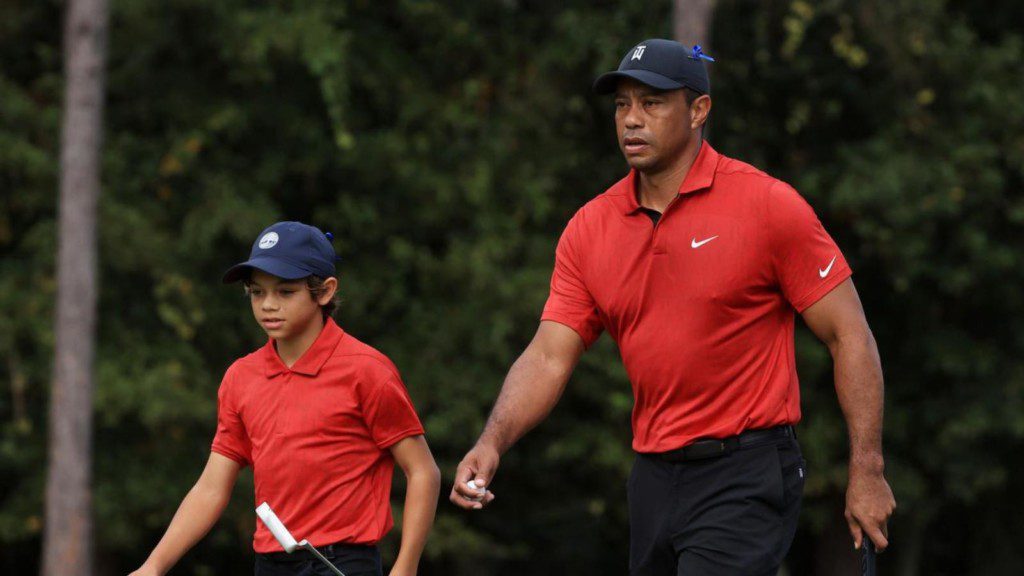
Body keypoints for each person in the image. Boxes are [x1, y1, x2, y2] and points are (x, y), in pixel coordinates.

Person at [450, 39, 895, 575]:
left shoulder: (767, 206)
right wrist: (491, 441)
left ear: (699, 110)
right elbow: (548, 355)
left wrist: (866, 469)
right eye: (622, 105)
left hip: (747, 468)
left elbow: (850, 335)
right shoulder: (589, 230)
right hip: (654, 476)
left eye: (652, 102)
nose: (631, 120)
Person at [130, 221, 440, 576]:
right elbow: (211, 489)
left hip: (343, 563)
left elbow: (422, 472)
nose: (268, 305)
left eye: (285, 292)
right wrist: (153, 567)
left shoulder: (366, 371)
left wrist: (407, 567)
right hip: (271, 563)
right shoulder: (240, 377)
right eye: (257, 293)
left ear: (324, 292)